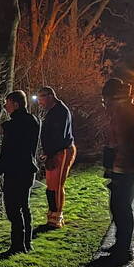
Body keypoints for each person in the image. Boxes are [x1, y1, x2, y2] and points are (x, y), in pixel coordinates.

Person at [0, 90, 41, 254]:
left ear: (15, 104)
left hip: (15, 171)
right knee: (24, 206)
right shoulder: (34, 121)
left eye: (7, 102)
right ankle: (27, 243)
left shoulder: (12, 126)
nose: (5, 106)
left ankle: (17, 245)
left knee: (12, 209)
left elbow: (7, 152)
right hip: (28, 169)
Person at [101, 78, 134, 262]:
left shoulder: (125, 111)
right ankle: (121, 245)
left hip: (125, 168)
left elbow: (124, 143)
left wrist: (114, 167)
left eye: (106, 99)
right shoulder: (125, 108)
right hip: (124, 167)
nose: (105, 103)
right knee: (118, 207)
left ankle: (124, 250)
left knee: (122, 208)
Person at [36, 86, 76, 228]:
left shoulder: (61, 112)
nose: (40, 103)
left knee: (57, 185)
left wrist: (50, 154)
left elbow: (59, 136)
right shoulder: (52, 111)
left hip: (62, 151)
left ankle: (57, 217)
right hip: (53, 152)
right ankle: (52, 214)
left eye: (41, 99)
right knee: (51, 185)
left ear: (50, 96)